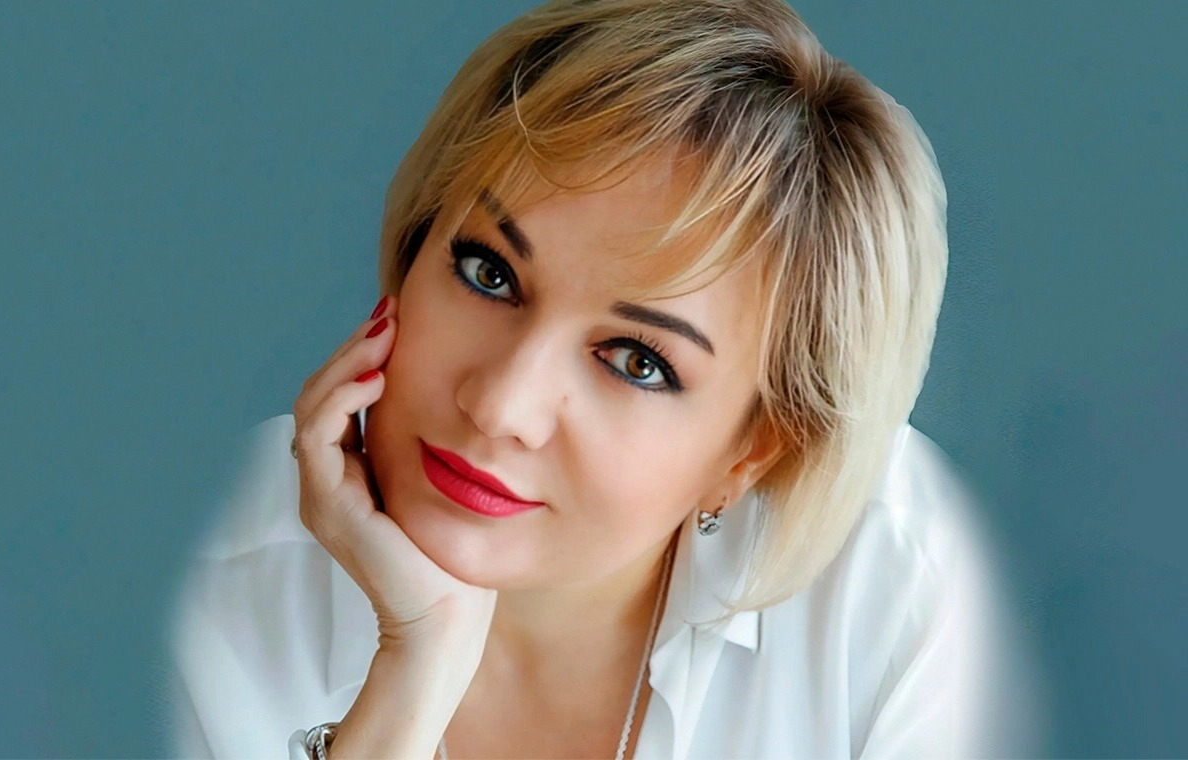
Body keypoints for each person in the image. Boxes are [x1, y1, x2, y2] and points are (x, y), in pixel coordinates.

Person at [165, 0, 1040, 757]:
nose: (500, 406)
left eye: (636, 361)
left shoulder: (902, 590)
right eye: (489, 275)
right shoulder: (203, 575)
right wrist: (415, 667)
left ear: (749, 454)